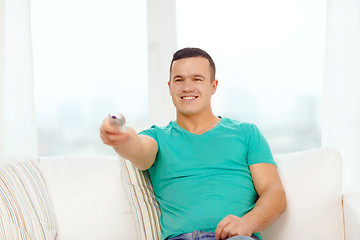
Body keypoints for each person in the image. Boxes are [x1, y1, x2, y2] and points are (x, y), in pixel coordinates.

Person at [99, 47, 286, 240]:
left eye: (197, 79)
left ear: (213, 86)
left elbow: (275, 194)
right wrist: (122, 136)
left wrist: (247, 223)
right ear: (170, 87)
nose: (187, 87)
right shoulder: (157, 137)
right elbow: (138, 148)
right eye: (179, 80)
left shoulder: (247, 133)